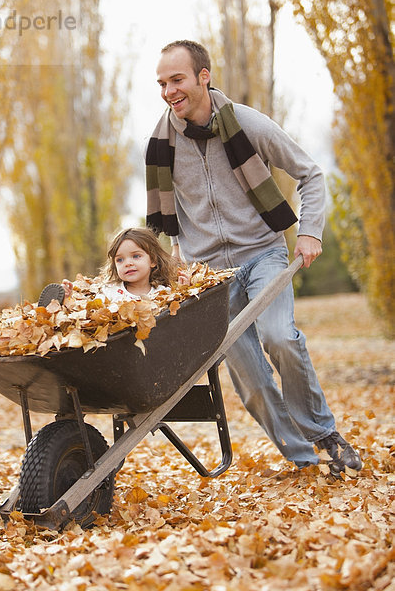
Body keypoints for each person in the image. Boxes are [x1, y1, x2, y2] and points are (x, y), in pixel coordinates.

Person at [146, 39, 361, 476]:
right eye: (162, 83)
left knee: (280, 337)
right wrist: (177, 264)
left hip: (263, 254)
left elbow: (311, 174)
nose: (169, 91)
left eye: (178, 80)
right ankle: (304, 459)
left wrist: (309, 233)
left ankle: (324, 435)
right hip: (211, 276)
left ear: (204, 77)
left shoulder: (246, 124)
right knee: (252, 378)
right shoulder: (160, 144)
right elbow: (168, 221)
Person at [60, 227, 190, 303]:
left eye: (136, 256)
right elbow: (90, 313)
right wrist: (69, 299)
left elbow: (176, 315)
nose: (128, 263)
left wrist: (184, 291)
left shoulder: (162, 293)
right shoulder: (110, 293)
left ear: (153, 260)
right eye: (120, 260)